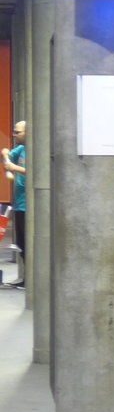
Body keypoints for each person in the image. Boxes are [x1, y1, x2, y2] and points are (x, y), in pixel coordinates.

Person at [2, 121, 25, 289]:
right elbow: (7, 155)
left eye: (17, 132)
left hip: (28, 205)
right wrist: (5, 158)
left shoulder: (36, 149)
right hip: (19, 204)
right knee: (22, 245)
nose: (14, 134)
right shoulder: (21, 149)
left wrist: (13, 167)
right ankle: (26, 279)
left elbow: (38, 170)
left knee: (28, 245)